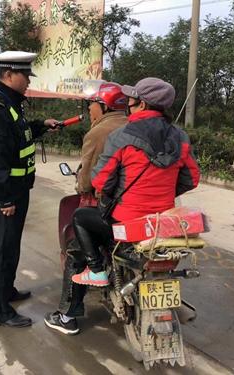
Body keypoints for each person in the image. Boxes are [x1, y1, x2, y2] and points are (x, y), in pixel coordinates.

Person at [44, 77, 200, 335]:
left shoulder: (122, 135)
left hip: (126, 222)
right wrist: (159, 193)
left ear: (141, 103)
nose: (128, 103)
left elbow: (101, 180)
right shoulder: (180, 136)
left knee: (81, 218)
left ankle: (94, 274)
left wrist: (119, 195)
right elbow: (192, 178)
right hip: (161, 221)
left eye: (131, 99)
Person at [0, 51, 58, 327]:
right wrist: (5, 199)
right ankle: (0, 312)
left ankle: (7, 291)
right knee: (2, 250)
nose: (28, 82)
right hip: (5, 193)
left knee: (11, 246)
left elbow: (18, 135)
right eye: (25, 77)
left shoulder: (11, 104)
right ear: (9, 74)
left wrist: (41, 127)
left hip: (16, 190)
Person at [44, 81, 127, 335]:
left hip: (111, 209)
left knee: (75, 247)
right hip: (147, 211)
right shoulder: (137, 126)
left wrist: (82, 185)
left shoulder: (98, 133)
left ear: (103, 106)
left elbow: (88, 180)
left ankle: (68, 316)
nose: (89, 109)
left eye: (91, 104)